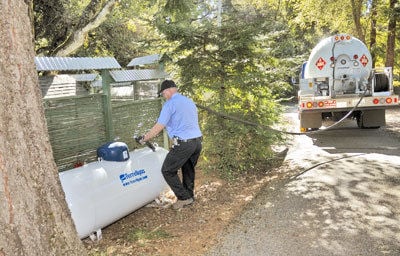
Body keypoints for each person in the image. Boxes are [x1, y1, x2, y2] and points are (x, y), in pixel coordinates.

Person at [139, 80, 202, 209]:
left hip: (184, 143)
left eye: (163, 93)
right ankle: (189, 197)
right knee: (188, 169)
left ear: (167, 91)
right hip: (197, 142)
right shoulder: (189, 101)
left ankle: (184, 198)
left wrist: (145, 138)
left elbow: (159, 126)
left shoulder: (169, 104)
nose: (163, 96)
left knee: (167, 170)